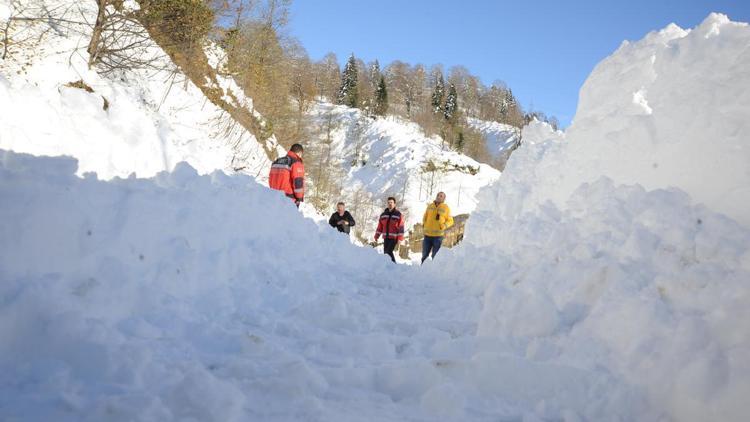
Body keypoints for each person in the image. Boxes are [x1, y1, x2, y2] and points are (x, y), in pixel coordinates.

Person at [421, 191, 454, 264]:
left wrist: (444, 226)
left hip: (438, 237)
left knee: (435, 256)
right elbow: (425, 217)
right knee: (424, 255)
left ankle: (433, 272)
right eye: (438, 195)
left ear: (444, 199)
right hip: (427, 235)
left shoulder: (446, 208)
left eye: (441, 196)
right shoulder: (430, 206)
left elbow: (451, 221)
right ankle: (422, 271)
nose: (439, 197)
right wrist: (424, 224)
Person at [374, 197, 405, 263]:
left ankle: (394, 266)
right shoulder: (383, 215)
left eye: (391, 202)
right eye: (388, 203)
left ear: (394, 204)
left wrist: (400, 238)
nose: (390, 204)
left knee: (388, 252)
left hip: (394, 238)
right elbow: (380, 227)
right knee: (386, 253)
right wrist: (376, 236)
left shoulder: (398, 214)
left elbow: (401, 227)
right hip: (386, 237)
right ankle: (390, 267)